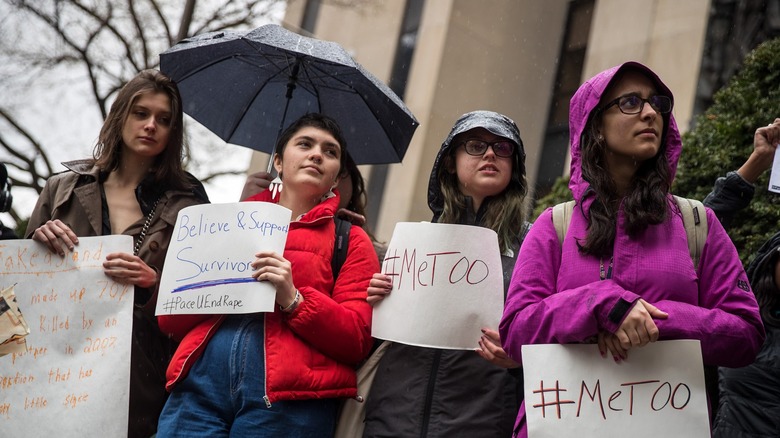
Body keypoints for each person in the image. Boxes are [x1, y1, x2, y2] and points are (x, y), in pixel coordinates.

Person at [499, 61, 765, 437]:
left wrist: (655, 321)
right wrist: (602, 305)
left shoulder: (698, 222)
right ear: (596, 126)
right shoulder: (553, 225)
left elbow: (747, 333)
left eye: (657, 103)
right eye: (630, 103)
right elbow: (515, 330)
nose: (650, 112)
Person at [156, 113, 379, 437]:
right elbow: (170, 320)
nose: (317, 154)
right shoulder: (225, 222)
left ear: (335, 177)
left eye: (330, 152)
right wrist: (222, 281)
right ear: (278, 161)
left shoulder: (351, 239)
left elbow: (358, 339)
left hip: (289, 405)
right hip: (197, 392)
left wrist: (295, 300)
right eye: (305, 144)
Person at [25, 69, 210, 438]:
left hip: (137, 383)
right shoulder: (60, 191)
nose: (150, 125)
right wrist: (35, 242)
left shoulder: (191, 206)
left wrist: (153, 284)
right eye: (141, 113)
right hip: (51, 372)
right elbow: (16, 295)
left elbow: (201, 306)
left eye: (164, 119)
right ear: (120, 116)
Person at [362, 110, 529, 437]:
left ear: (515, 167)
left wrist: (519, 355)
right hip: (394, 419)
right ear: (450, 161)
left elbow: (549, 338)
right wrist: (376, 296)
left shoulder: (535, 246)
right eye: (476, 145)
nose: (491, 153)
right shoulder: (413, 244)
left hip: (483, 422)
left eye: (503, 147)